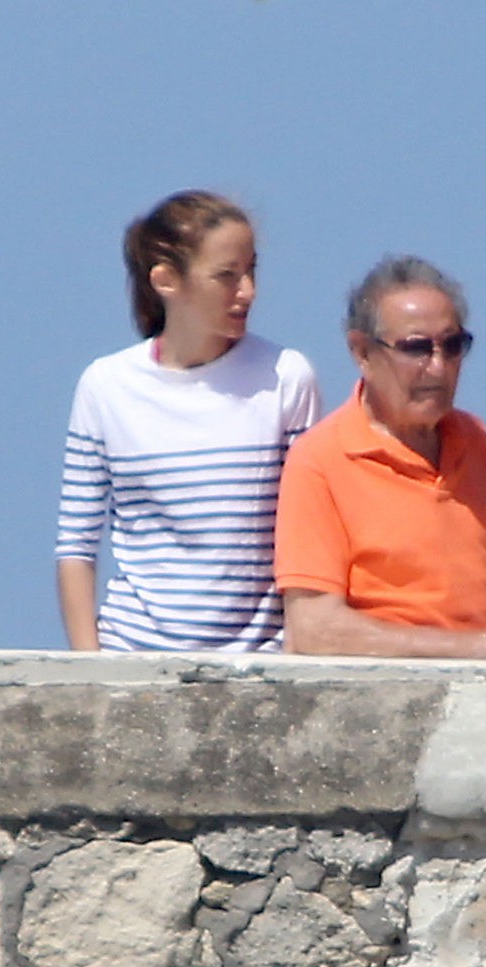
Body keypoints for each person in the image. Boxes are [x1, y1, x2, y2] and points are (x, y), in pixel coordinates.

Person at [56, 190, 321, 651]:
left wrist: (293, 658)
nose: (247, 292)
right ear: (166, 281)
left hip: (257, 668)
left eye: (251, 271)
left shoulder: (286, 377)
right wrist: (89, 671)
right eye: (226, 276)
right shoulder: (106, 386)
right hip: (130, 661)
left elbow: (310, 533)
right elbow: (77, 544)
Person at [274, 255, 486, 660]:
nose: (438, 367)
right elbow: (315, 630)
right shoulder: (322, 460)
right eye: (417, 349)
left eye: (452, 346)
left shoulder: (476, 440)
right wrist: (479, 649)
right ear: (362, 352)